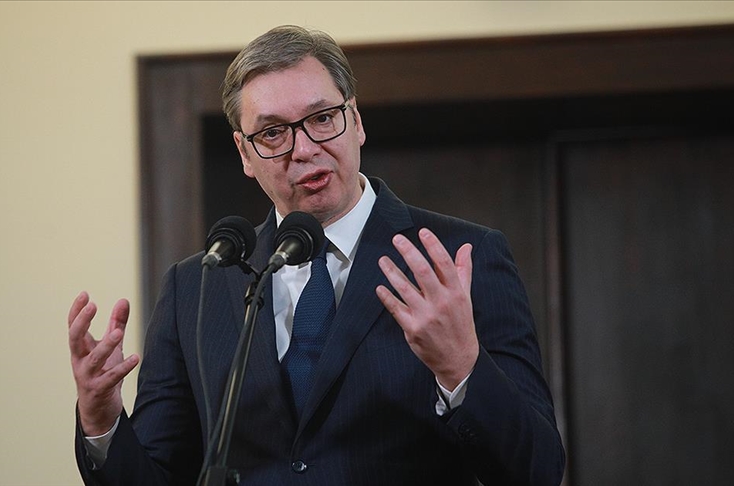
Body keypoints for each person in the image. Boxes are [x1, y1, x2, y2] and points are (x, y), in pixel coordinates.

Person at [69, 25, 565, 486]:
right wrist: (101, 419)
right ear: (244, 153)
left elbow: (537, 470)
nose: (303, 148)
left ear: (356, 121)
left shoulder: (461, 257)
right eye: (272, 133)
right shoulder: (196, 287)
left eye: (323, 118)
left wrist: (462, 370)